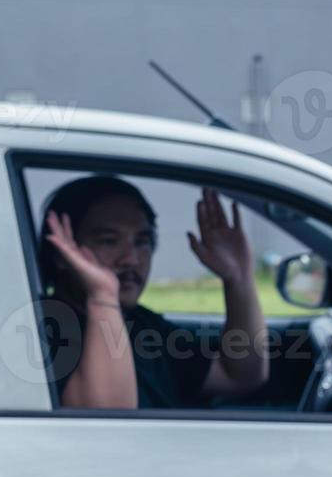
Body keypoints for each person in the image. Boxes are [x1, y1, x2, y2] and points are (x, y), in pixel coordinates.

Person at [39, 175, 269, 409]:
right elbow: (108, 425)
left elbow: (238, 376)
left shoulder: (143, 324)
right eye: (108, 241)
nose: (131, 259)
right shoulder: (44, 330)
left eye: (142, 241)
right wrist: (102, 298)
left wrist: (239, 280)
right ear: (62, 252)